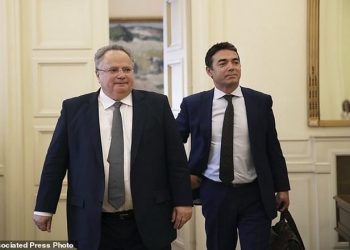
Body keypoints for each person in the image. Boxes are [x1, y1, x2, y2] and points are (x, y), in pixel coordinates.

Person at [33, 44, 193, 250]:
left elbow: (176, 159)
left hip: (148, 218)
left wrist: (183, 201)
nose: (121, 75)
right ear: (98, 74)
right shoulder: (74, 109)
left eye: (127, 69)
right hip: (93, 221)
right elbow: (55, 163)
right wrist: (44, 208)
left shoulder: (157, 105)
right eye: (113, 70)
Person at [176, 42, 290, 250]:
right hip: (215, 191)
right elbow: (173, 144)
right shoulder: (194, 104)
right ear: (210, 71)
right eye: (223, 63)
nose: (231, 67)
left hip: (255, 192)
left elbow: (272, 146)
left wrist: (282, 187)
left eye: (235, 62)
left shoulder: (260, 102)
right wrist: (184, 175)